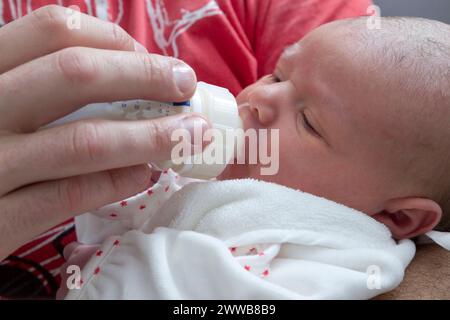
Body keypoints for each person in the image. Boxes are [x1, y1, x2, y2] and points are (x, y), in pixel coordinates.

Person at [57, 17, 450, 299]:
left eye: (310, 123)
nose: (260, 98)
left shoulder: (332, 260)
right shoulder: (233, 175)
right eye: (278, 76)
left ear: (397, 217)